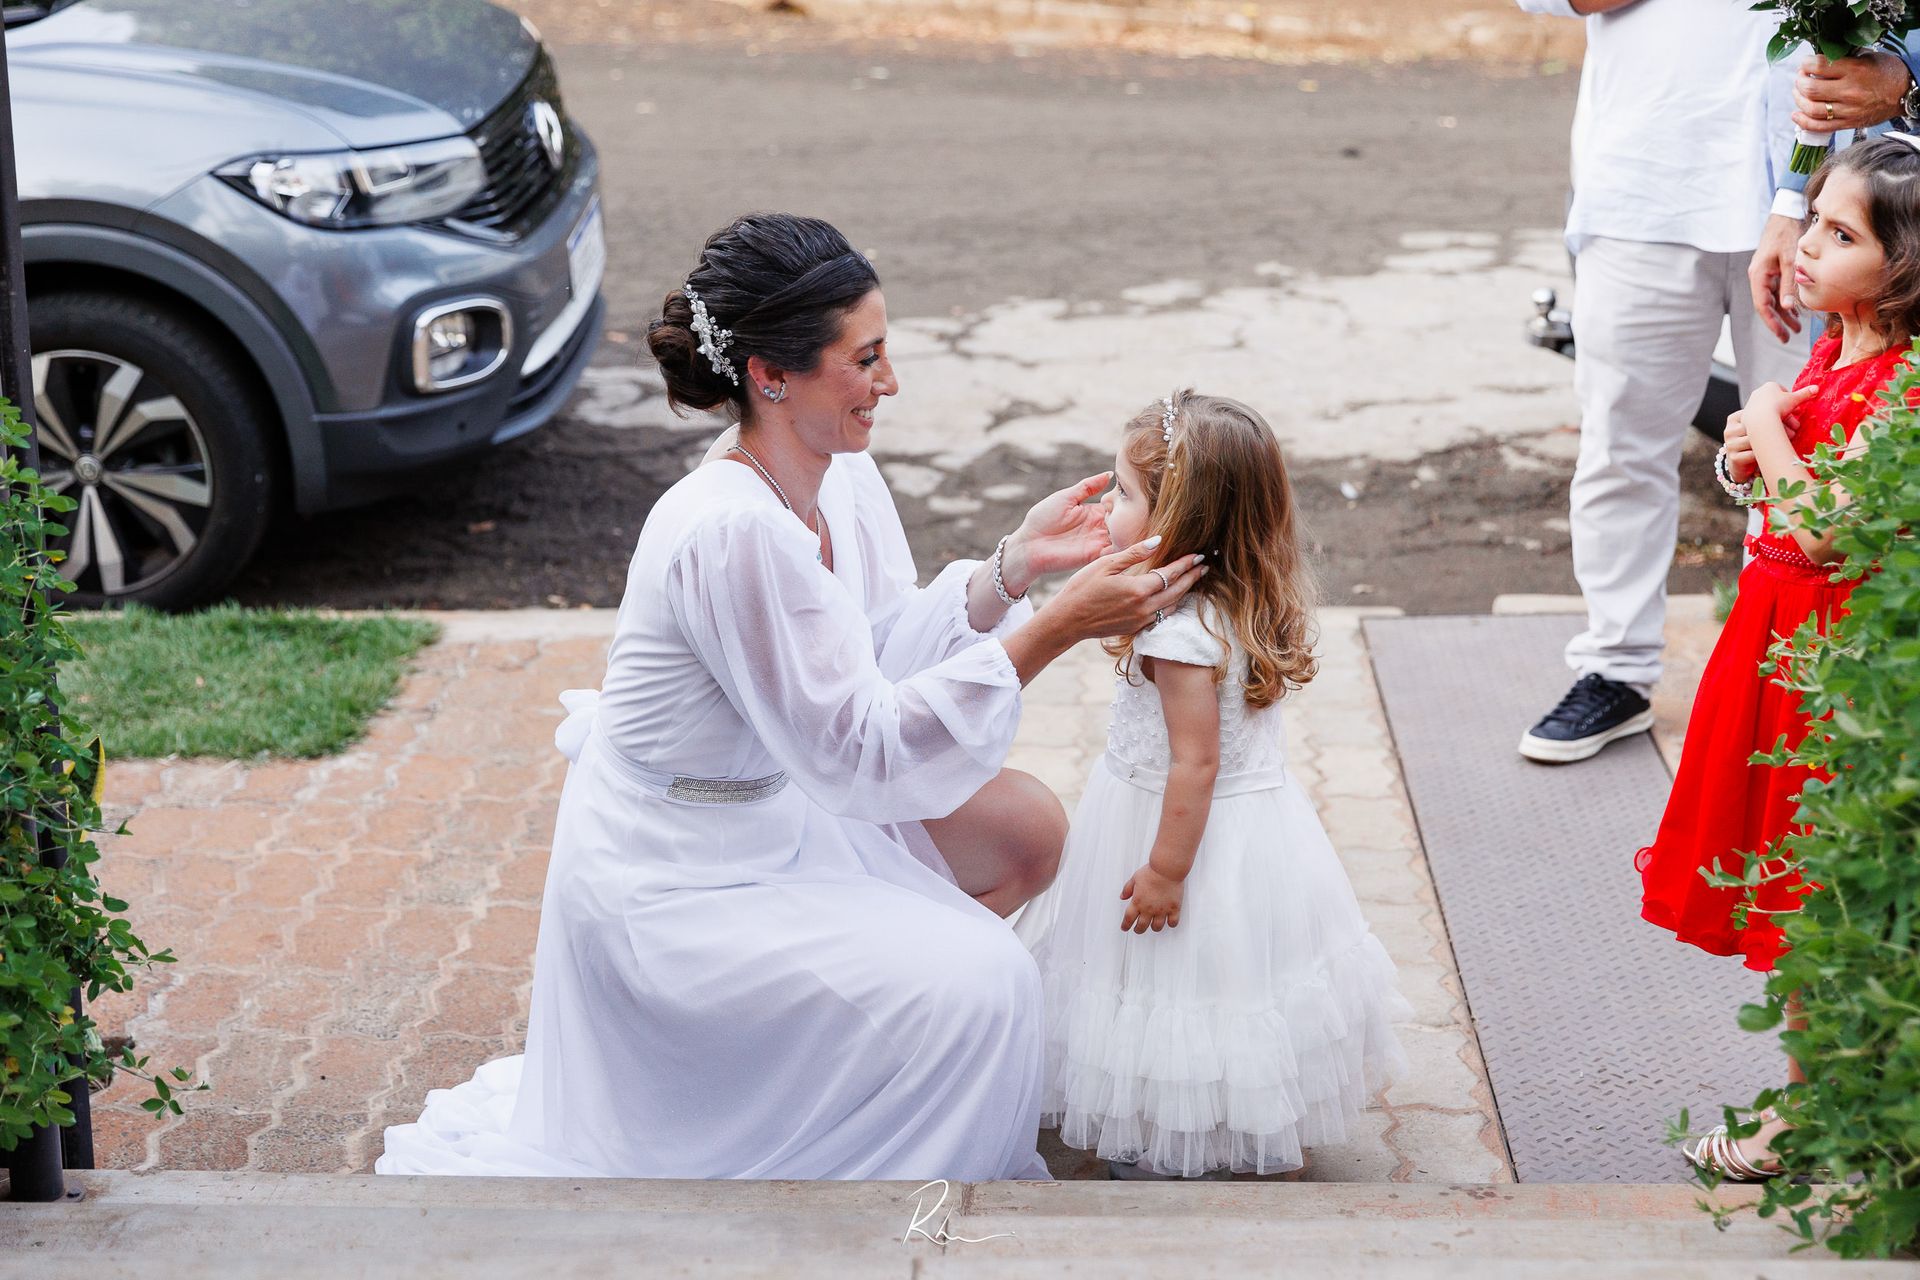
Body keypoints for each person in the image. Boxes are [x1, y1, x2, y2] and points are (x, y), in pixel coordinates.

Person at [376, 213, 1207, 1182]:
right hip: (681, 882)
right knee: (990, 986)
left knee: (1027, 829)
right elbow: (863, 750)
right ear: (771, 375)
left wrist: (1013, 566)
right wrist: (1053, 627)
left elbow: (876, 650)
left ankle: (870, 1054)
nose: (889, 382)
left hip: (789, 809)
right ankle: (889, 1176)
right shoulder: (727, 532)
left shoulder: (837, 478)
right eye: (866, 359)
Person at [1014, 391, 1408, 1180]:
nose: (1111, 508)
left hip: (1175, 833)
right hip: (1251, 836)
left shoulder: (1176, 633)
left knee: (1172, 982)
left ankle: (1179, 1131)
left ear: (1183, 518)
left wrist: (1164, 872)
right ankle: (1239, 1117)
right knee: (1237, 979)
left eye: (1124, 494)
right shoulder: (1236, 603)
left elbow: (1195, 763)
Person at [1634, 137, 1920, 1178]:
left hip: (1839, 670)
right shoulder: (1837, 346)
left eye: (1841, 236)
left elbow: (1821, 530)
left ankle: (1822, 1109)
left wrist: (1759, 420)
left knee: (1825, 881)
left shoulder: (1904, 381)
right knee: (1793, 880)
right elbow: (1776, 496)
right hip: (1779, 641)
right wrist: (1739, 454)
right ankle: (1815, 1102)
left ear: (1905, 269)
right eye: (1813, 217)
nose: (1805, 246)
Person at [1513, 0, 1812, 763]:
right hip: (1647, 185)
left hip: (1819, 194)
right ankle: (1616, 669)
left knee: (1807, 451)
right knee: (1620, 445)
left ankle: (1783, 680)